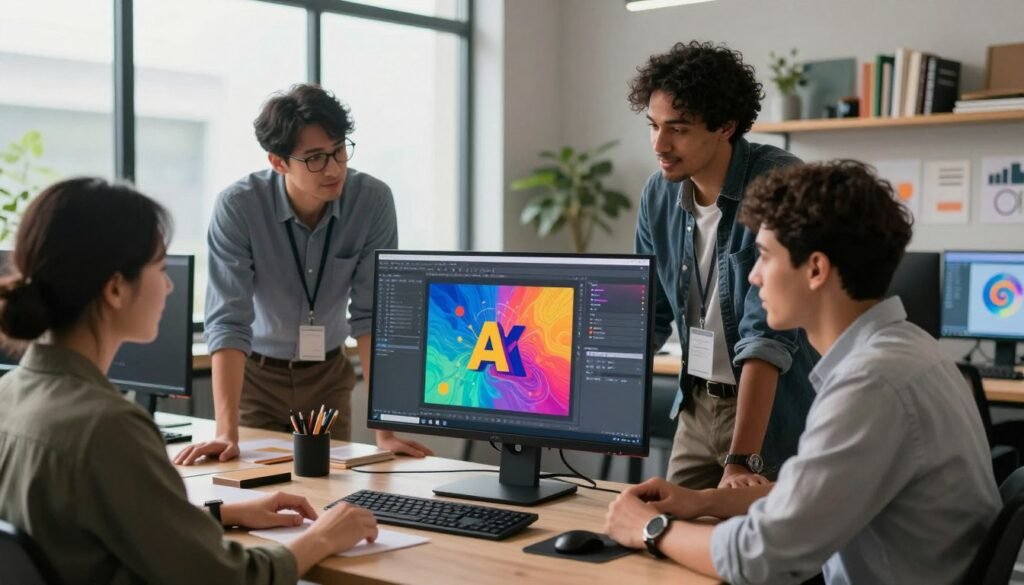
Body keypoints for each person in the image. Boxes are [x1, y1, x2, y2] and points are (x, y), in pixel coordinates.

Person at [605, 160, 1001, 584]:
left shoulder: (870, 385)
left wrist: (648, 529)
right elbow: (818, 496)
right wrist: (702, 501)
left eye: (764, 255)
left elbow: (761, 558)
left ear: (816, 269)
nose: (753, 276)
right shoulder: (912, 350)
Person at [0, 177, 380, 584]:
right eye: (160, 269)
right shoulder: (108, 428)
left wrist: (223, 514)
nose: (168, 285)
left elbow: (98, 528)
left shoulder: (10, 396)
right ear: (115, 288)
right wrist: (321, 537)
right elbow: (226, 579)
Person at [175, 84, 430, 466]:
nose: (333, 168)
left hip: (328, 374)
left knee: (330, 495)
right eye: (314, 158)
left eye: (339, 150)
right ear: (278, 162)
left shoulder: (372, 200)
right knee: (254, 493)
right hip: (258, 378)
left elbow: (372, 316)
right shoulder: (240, 206)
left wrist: (385, 432)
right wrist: (225, 432)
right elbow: (228, 320)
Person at [630, 41, 818, 489]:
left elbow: (766, 338)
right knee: (666, 543)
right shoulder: (659, 195)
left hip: (771, 412)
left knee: (766, 557)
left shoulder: (779, 184)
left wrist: (742, 458)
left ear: (725, 127)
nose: (660, 144)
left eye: (678, 129)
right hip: (696, 403)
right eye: (654, 126)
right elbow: (644, 315)